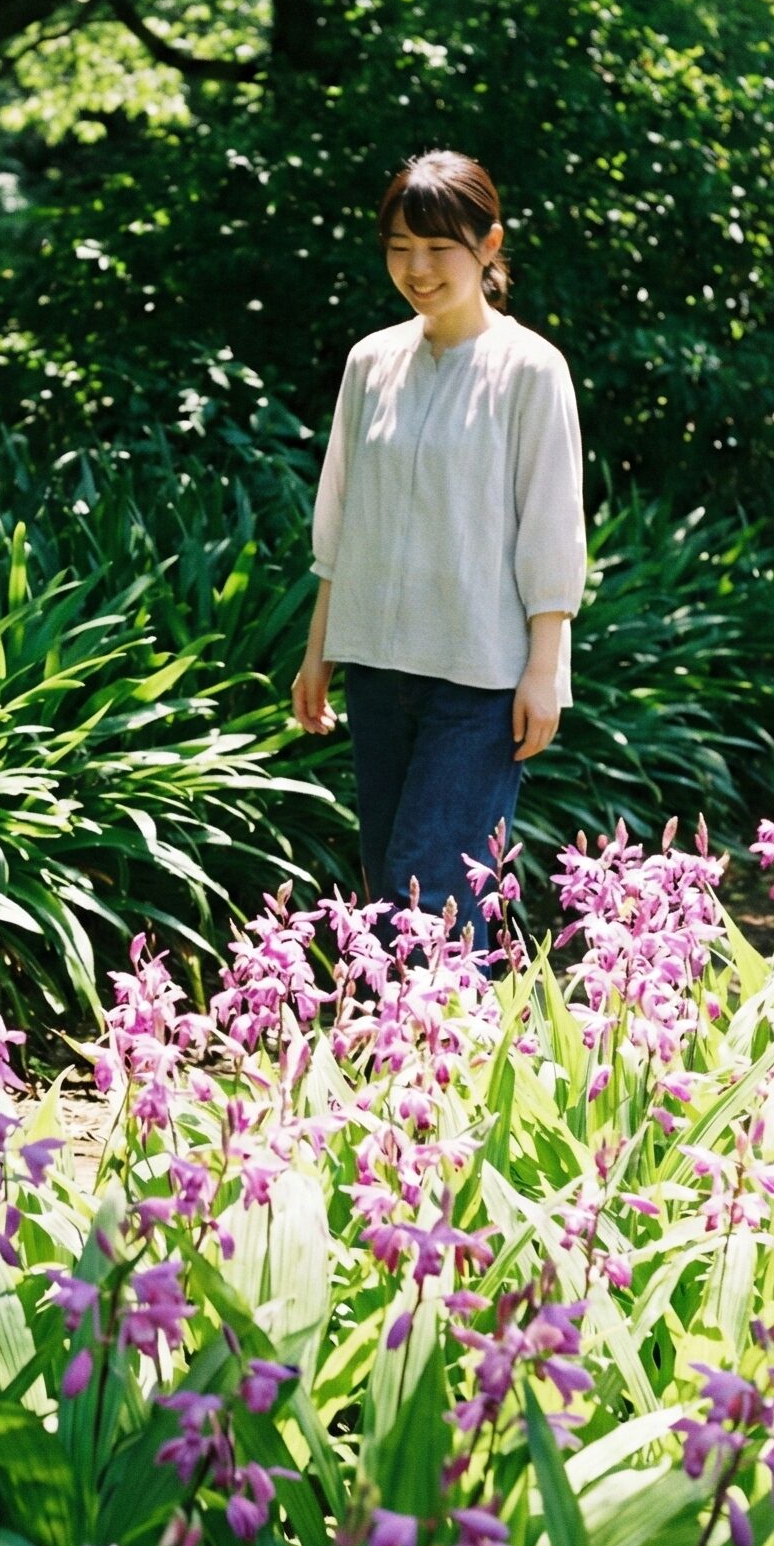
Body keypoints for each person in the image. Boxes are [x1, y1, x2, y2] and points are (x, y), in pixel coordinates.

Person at [291, 148, 587, 960]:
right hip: (378, 672)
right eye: (398, 248)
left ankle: (435, 1067)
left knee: (431, 891)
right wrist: (319, 653)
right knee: (393, 881)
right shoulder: (371, 362)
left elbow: (552, 530)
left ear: (489, 246)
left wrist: (544, 670)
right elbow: (342, 522)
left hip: (481, 679)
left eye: (437, 248)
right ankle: (440, 1070)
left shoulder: (531, 369)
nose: (416, 269)